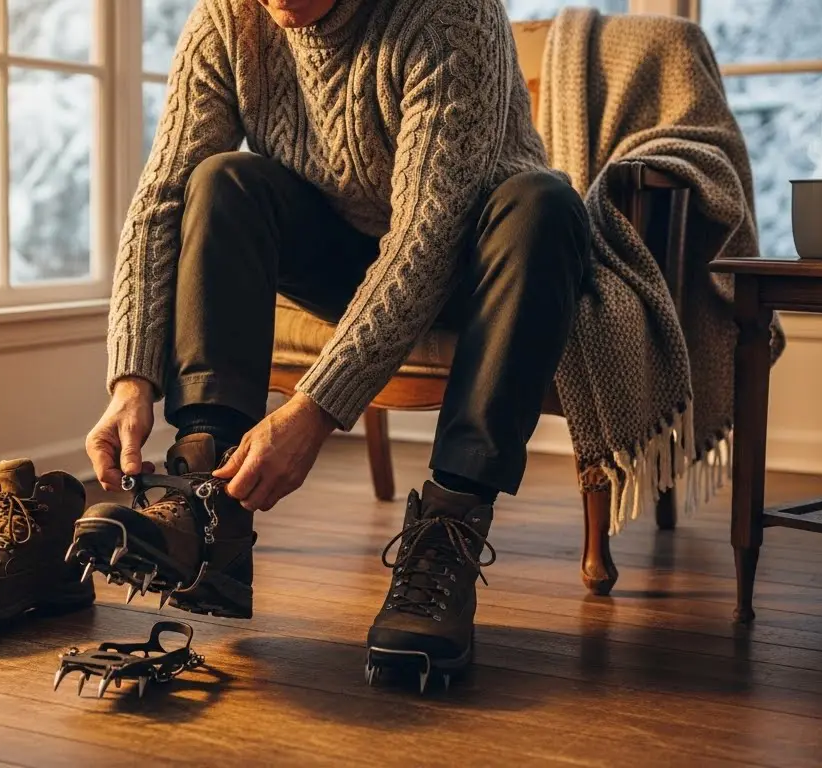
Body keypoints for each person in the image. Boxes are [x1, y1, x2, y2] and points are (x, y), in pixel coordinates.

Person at [74, 0, 589, 687]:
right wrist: (131, 380)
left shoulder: (450, 13)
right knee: (221, 178)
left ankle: (447, 529)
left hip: (478, 256)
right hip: (343, 253)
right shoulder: (229, 17)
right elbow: (161, 197)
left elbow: (423, 239)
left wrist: (314, 407)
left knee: (544, 202)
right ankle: (208, 498)